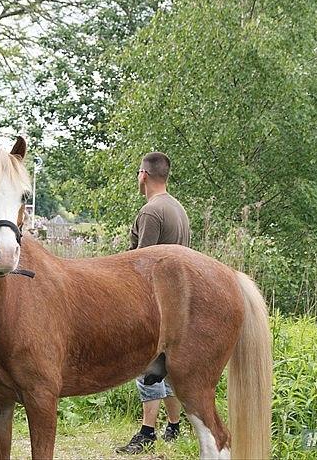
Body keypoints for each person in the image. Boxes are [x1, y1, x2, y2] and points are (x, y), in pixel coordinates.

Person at [116, 151, 191, 455]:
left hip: (152, 302)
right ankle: (174, 425)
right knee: (169, 366)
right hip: (177, 299)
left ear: (143, 175)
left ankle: (148, 432)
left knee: (147, 366)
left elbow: (141, 263)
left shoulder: (151, 212)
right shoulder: (179, 209)